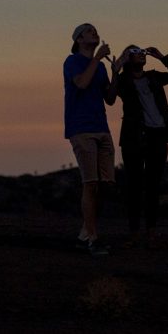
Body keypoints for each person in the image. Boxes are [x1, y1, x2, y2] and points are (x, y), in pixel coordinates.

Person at [111, 45, 168, 247]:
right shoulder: (124, 81)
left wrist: (162, 57)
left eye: (142, 52)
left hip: (158, 136)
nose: (141, 54)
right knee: (134, 186)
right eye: (135, 52)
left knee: (153, 185)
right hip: (133, 137)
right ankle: (134, 233)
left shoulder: (154, 77)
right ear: (128, 59)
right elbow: (111, 92)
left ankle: (151, 232)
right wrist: (117, 67)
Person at [63, 23, 117, 256]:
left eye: (95, 30)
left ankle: (86, 232)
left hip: (102, 128)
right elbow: (82, 83)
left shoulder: (102, 67)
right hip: (81, 128)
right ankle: (92, 239)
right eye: (89, 31)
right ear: (78, 39)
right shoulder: (72, 61)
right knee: (90, 183)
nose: (95, 33)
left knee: (106, 184)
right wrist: (97, 59)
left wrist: (116, 72)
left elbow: (111, 99)